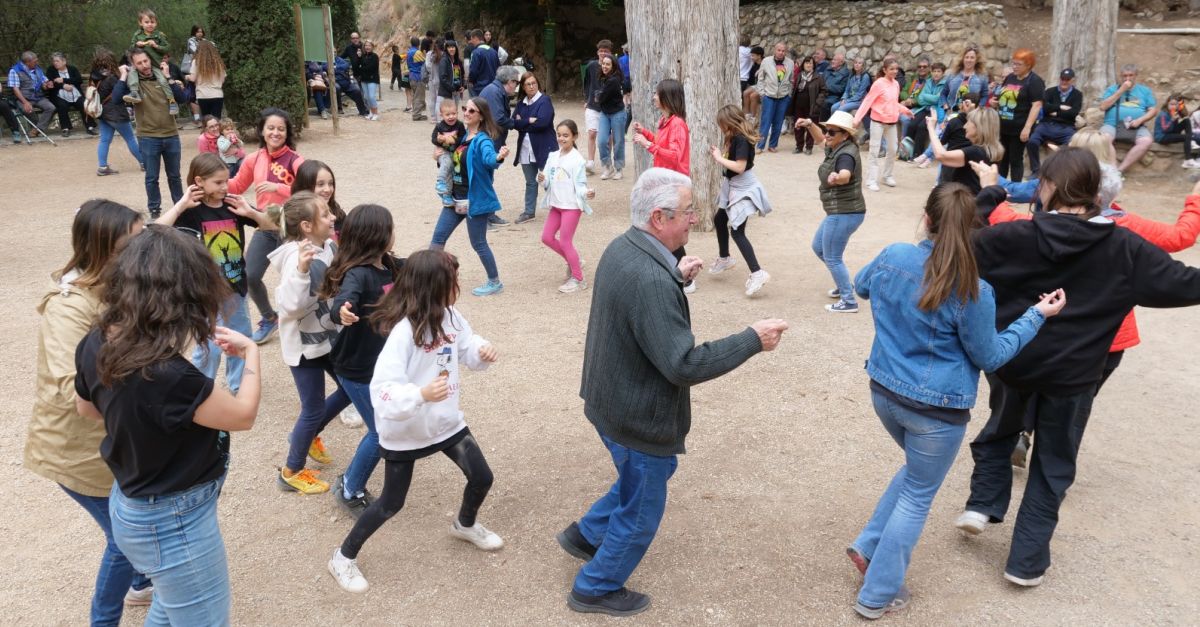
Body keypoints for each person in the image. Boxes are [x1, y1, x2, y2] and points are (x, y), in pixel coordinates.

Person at [956, 147, 1200, 588]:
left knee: (1000, 429)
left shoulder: (1012, 236)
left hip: (1014, 360)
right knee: (1053, 461)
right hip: (1074, 375)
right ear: (1095, 192)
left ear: (1048, 187)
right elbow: (1186, 284)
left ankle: (982, 503)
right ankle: (1025, 561)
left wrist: (990, 194)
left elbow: (957, 241)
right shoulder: (1125, 248)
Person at [556, 167, 788, 617]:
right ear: (658, 218)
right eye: (687, 211)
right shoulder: (650, 279)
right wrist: (751, 340)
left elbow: (639, 306)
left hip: (608, 400)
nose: (694, 219)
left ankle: (587, 535)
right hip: (637, 417)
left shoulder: (624, 248)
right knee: (642, 505)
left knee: (644, 477)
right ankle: (595, 586)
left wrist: (673, 275)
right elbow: (683, 363)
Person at [847, 184, 1063, 620]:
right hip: (936, 412)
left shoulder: (894, 255)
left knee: (916, 476)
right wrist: (1035, 316)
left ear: (927, 218)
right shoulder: (973, 290)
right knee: (918, 493)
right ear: (972, 230)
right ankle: (877, 594)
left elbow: (861, 286)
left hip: (884, 392)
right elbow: (991, 357)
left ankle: (869, 546)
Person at [73, 224, 262, 625]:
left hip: (133, 504)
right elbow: (243, 415)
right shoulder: (170, 376)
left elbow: (86, 408)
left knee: (169, 602)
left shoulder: (96, 339)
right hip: (173, 520)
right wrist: (251, 356)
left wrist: (138, 415)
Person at [327, 249, 504, 593]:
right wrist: (420, 394)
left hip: (445, 422)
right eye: (453, 280)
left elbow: (466, 344)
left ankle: (465, 524)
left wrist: (481, 350)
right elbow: (382, 391)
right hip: (406, 430)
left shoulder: (451, 316)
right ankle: (343, 557)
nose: (458, 285)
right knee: (391, 503)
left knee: (482, 476)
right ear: (432, 287)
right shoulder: (403, 333)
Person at [25, 200, 151, 625]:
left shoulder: (120, 286)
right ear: (102, 250)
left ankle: (141, 583)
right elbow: (69, 387)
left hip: (110, 441)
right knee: (125, 539)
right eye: (132, 245)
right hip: (77, 449)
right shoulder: (68, 308)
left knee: (131, 528)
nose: (142, 252)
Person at [156, 153, 275, 393]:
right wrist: (181, 205)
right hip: (203, 291)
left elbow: (272, 226)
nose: (225, 187)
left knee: (239, 338)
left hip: (234, 286)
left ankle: (238, 386)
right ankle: (200, 388)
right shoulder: (190, 211)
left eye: (226, 181)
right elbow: (154, 231)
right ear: (199, 181)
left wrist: (250, 212)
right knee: (208, 345)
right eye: (218, 182)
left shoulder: (232, 205)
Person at [322, 205, 404, 518]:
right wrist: (341, 311)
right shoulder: (358, 274)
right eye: (390, 228)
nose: (394, 233)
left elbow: (417, 267)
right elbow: (346, 298)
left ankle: (304, 437)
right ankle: (349, 488)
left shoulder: (390, 265)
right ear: (376, 236)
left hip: (379, 365)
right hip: (357, 369)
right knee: (381, 431)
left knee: (374, 419)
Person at [267, 192, 351, 494]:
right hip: (304, 348)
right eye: (325, 214)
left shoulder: (327, 246)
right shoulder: (297, 257)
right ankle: (291, 471)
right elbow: (289, 307)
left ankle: (310, 434)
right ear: (306, 226)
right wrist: (302, 272)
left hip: (326, 338)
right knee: (313, 408)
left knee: (350, 387)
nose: (332, 217)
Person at [227, 108, 305, 344]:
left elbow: (308, 189)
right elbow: (236, 186)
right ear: (262, 130)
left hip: (293, 229)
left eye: (281, 129)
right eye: (270, 128)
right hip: (266, 226)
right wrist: (212, 181)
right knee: (249, 275)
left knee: (297, 278)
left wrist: (278, 188)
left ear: (287, 132)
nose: (275, 133)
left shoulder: (296, 160)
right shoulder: (254, 158)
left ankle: (304, 321)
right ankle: (270, 317)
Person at [431, 96, 509, 296]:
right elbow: (454, 161)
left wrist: (499, 157)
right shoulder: (463, 135)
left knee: (478, 244)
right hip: (455, 198)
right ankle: (430, 281)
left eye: (472, 110)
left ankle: (495, 282)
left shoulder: (482, 140)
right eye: (465, 108)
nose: (466, 113)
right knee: (438, 239)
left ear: (481, 116)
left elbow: (489, 159)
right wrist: (439, 157)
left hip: (474, 200)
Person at [796, 111, 865, 313]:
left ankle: (849, 301)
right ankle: (844, 285)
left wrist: (837, 177)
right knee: (819, 247)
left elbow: (845, 173)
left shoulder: (845, 155)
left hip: (844, 212)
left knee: (833, 257)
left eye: (832, 132)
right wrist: (810, 124)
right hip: (841, 212)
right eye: (827, 130)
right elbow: (820, 140)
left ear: (845, 135)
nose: (827, 135)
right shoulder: (838, 146)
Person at [631, 79, 694, 292]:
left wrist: (648, 144)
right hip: (665, 182)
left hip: (674, 185)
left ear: (667, 98)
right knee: (664, 227)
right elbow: (662, 144)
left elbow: (675, 156)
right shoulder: (666, 121)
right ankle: (679, 272)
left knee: (669, 228)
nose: (654, 97)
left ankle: (687, 278)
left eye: (657, 94)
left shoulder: (677, 124)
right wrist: (646, 133)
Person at [111, 49, 186, 219]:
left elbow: (182, 98)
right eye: (139, 63)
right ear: (133, 65)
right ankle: (154, 211)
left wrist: (168, 77)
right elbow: (115, 99)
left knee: (175, 176)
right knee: (152, 177)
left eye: (146, 61)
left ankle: (181, 209)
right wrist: (123, 76)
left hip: (171, 134)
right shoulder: (133, 82)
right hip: (148, 136)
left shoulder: (162, 76)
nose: (144, 65)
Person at [709, 105, 772, 296]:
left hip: (743, 187)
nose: (720, 127)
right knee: (720, 219)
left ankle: (758, 273)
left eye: (722, 123)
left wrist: (718, 158)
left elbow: (739, 167)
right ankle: (725, 258)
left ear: (729, 122)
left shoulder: (741, 139)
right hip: (732, 185)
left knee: (737, 232)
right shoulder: (733, 137)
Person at [538, 120, 596, 293]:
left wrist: (587, 193)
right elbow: (547, 180)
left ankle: (579, 279)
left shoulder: (577, 160)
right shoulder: (553, 156)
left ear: (574, 137)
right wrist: (542, 179)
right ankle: (574, 261)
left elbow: (581, 185)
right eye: (559, 135)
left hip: (571, 206)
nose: (561, 138)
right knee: (546, 237)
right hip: (556, 205)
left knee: (565, 241)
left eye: (566, 135)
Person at [854, 59, 912, 192]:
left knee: (892, 149)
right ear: (885, 70)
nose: (895, 71)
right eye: (891, 69)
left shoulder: (896, 84)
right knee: (874, 151)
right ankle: (871, 180)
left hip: (891, 123)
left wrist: (905, 110)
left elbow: (893, 103)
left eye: (896, 69)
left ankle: (887, 176)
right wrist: (857, 118)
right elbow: (867, 101)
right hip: (877, 122)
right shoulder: (878, 84)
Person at [994, 49, 1044, 182]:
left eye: (1018, 64)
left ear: (1028, 65)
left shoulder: (1035, 81)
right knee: (1002, 158)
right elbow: (1002, 95)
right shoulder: (1010, 77)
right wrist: (995, 102)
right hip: (1003, 125)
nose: (1014, 67)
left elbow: (1036, 105)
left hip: (1019, 127)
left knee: (1015, 159)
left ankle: (1015, 188)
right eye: (1013, 63)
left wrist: (1027, 128)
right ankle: (1001, 187)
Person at [926, 108, 1004, 193]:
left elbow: (941, 155)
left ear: (978, 126)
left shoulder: (976, 151)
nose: (964, 126)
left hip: (969, 198)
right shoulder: (992, 149)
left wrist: (931, 128)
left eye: (968, 122)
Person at [89, 49, 141, 176]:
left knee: (104, 140)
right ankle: (144, 162)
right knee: (130, 138)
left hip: (103, 112)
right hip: (116, 112)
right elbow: (123, 91)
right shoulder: (113, 77)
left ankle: (102, 167)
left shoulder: (94, 76)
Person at [513, 71, 556, 224]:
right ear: (523, 87)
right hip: (525, 149)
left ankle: (557, 209)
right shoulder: (521, 103)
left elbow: (543, 123)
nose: (532, 86)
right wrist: (529, 120)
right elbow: (514, 123)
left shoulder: (545, 101)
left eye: (534, 83)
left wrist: (523, 122)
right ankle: (529, 212)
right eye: (528, 84)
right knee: (530, 182)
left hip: (545, 147)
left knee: (549, 180)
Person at [1026, 68, 1082, 177]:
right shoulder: (1050, 91)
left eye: (1067, 79)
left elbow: (1073, 113)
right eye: (1062, 79)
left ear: (1072, 80)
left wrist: (1055, 112)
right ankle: (1036, 170)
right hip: (1046, 125)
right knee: (1032, 141)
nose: (1064, 81)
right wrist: (1061, 107)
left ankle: (1060, 172)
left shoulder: (1077, 94)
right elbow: (1045, 108)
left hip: (1066, 127)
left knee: (1071, 144)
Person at [900, 62, 946, 160]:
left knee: (922, 127)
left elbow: (938, 99)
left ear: (943, 73)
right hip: (924, 108)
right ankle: (905, 153)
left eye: (939, 71)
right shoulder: (928, 82)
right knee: (912, 124)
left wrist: (926, 96)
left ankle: (917, 154)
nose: (936, 74)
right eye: (934, 71)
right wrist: (930, 97)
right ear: (931, 72)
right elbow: (920, 98)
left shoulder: (944, 84)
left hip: (935, 110)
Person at [591, 55, 627, 179]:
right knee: (601, 141)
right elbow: (598, 95)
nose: (605, 66)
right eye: (603, 64)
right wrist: (598, 96)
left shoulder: (614, 80)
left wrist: (598, 96)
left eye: (608, 64)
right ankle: (607, 166)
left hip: (617, 113)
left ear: (613, 66)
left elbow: (600, 98)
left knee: (618, 141)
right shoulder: (602, 78)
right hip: (605, 113)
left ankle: (618, 168)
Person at [754, 43, 795, 153]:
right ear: (774, 50)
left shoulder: (790, 63)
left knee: (778, 122)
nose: (781, 52)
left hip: (783, 97)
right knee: (765, 122)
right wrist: (762, 93)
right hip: (769, 96)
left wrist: (789, 94)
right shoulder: (766, 61)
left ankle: (773, 145)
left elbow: (791, 80)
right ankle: (760, 146)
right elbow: (760, 78)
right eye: (779, 50)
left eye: (783, 50)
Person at [582, 39, 615, 173]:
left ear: (610, 53)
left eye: (605, 51)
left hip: (608, 107)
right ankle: (590, 162)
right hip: (592, 106)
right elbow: (586, 83)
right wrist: (586, 99)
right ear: (597, 52)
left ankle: (606, 161)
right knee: (592, 133)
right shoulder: (591, 66)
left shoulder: (614, 68)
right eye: (600, 51)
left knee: (607, 137)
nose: (603, 54)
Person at [124, 9, 169, 104]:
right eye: (147, 22)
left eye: (152, 22)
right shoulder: (137, 35)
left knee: (163, 80)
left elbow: (167, 48)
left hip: (156, 63)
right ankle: (134, 93)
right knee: (132, 72)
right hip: (142, 63)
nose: (150, 24)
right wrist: (136, 44)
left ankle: (171, 99)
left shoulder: (159, 35)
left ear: (156, 23)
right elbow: (131, 49)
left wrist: (156, 46)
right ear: (140, 23)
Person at [44, 52, 93, 137]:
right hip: (59, 95)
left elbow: (78, 80)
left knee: (83, 104)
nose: (55, 63)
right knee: (62, 105)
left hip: (75, 94)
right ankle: (65, 128)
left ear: (64, 61)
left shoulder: (72, 69)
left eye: (57, 61)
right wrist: (63, 86)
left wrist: (64, 80)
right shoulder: (51, 70)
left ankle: (90, 127)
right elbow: (50, 83)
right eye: (54, 61)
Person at [7, 51, 57, 134]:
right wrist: (25, 102)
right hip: (24, 98)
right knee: (28, 109)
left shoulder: (37, 68)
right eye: (35, 61)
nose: (37, 63)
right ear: (27, 62)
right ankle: (38, 129)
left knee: (51, 107)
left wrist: (47, 85)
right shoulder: (14, 71)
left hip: (38, 97)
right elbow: (15, 89)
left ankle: (37, 130)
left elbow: (44, 82)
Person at [432, 98, 467, 208]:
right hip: (444, 153)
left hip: (455, 153)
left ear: (457, 112)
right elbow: (433, 139)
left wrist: (453, 140)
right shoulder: (439, 126)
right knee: (447, 163)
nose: (451, 117)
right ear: (441, 115)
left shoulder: (460, 125)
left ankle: (446, 196)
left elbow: (463, 139)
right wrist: (439, 140)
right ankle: (440, 181)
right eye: (447, 114)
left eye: (453, 113)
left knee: (450, 177)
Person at [791, 56, 827, 154]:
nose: (808, 65)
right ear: (803, 65)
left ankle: (809, 147)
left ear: (813, 65)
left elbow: (823, 91)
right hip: (798, 105)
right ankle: (799, 146)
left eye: (810, 63)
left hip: (812, 106)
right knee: (798, 127)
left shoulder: (818, 77)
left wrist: (818, 103)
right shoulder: (799, 75)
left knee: (811, 127)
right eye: (806, 63)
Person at [1154, 93, 1195, 167]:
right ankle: (1188, 160)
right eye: (1171, 104)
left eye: (1175, 104)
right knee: (1186, 137)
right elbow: (1165, 129)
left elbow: (1183, 118)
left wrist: (1180, 110)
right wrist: (1172, 120)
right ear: (1167, 104)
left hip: (1169, 132)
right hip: (1161, 136)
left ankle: (1190, 140)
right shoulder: (1163, 114)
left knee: (1186, 120)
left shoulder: (1175, 112)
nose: (1173, 106)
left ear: (1178, 105)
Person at [187, 41, 225, 119]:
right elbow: (223, 80)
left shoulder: (196, 62)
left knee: (206, 120)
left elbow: (193, 79)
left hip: (202, 95)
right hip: (217, 94)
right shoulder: (218, 63)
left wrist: (187, 77)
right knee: (217, 120)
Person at [467, 29, 499, 97]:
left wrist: (470, 81)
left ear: (475, 38)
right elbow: (498, 68)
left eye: (472, 39)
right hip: (493, 86)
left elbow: (473, 71)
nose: (471, 42)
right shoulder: (493, 51)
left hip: (480, 88)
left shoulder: (476, 52)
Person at [821, 52, 850, 121]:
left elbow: (842, 89)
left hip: (834, 97)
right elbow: (820, 80)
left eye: (835, 60)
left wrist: (827, 86)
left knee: (825, 104)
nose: (832, 61)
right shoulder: (828, 69)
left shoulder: (846, 73)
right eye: (832, 59)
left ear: (841, 63)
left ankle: (823, 126)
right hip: (822, 93)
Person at [437, 40, 465, 112]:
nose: (451, 49)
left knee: (454, 112)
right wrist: (452, 88)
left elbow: (461, 75)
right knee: (447, 112)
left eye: (453, 47)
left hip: (456, 92)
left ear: (456, 48)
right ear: (446, 49)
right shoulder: (444, 60)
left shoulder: (457, 61)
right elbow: (443, 78)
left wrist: (462, 86)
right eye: (449, 47)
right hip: (446, 93)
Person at [358, 39, 381, 121]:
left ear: (372, 47)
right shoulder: (363, 56)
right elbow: (358, 65)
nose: (367, 47)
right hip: (364, 79)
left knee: (371, 96)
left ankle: (376, 113)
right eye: (366, 45)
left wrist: (362, 68)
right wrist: (359, 57)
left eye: (369, 45)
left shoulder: (375, 56)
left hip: (372, 79)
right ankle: (371, 112)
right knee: (366, 97)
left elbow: (371, 67)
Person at [406, 37, 428, 121]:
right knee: (419, 96)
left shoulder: (408, 52)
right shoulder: (417, 52)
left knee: (415, 96)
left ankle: (416, 113)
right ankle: (416, 115)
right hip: (418, 76)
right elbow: (425, 63)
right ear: (419, 44)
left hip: (411, 76)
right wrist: (425, 55)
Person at [742, 46, 765, 122]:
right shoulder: (754, 64)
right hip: (757, 85)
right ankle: (746, 114)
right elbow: (752, 79)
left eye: (753, 55)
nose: (751, 57)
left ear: (759, 56)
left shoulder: (765, 63)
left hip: (765, 85)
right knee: (745, 93)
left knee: (753, 96)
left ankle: (753, 118)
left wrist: (760, 70)